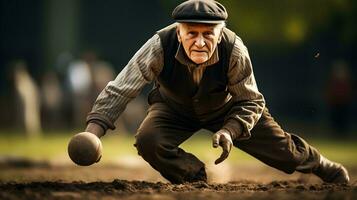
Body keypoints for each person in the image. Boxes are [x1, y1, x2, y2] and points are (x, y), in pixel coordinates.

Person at [83, 0, 349, 184]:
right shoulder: (159, 45)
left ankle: (322, 165)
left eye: (208, 34)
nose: (200, 42)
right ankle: (193, 177)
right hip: (173, 108)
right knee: (148, 140)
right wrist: (92, 132)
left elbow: (252, 101)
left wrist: (230, 130)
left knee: (285, 152)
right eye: (192, 33)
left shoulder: (234, 49)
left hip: (229, 108)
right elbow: (121, 88)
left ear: (220, 34)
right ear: (179, 31)